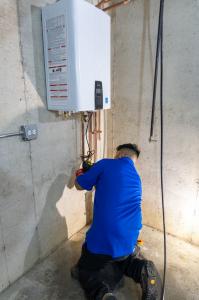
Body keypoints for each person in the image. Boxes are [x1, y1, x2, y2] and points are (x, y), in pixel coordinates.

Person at [72, 143, 161, 300]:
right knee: (123, 259)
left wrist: (80, 174)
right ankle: (141, 268)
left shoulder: (106, 163)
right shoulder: (136, 177)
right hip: (131, 238)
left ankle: (103, 294)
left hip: (104, 239)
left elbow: (80, 186)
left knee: (84, 269)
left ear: (119, 155)